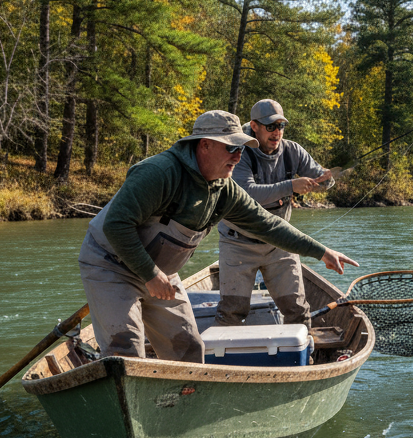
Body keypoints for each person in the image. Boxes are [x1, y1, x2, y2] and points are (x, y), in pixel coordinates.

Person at [78, 109, 357, 363]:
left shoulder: (225, 189)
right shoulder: (158, 173)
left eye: (242, 148)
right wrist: (150, 275)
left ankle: (182, 405)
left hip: (161, 272)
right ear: (205, 145)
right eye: (232, 148)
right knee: (125, 352)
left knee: (188, 349)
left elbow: (268, 225)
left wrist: (322, 252)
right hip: (111, 264)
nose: (238, 155)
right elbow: (116, 225)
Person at [214, 98, 336, 327]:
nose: (277, 132)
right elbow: (247, 194)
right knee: (232, 312)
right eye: (270, 126)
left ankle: (303, 358)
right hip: (238, 243)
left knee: (298, 310)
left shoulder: (293, 150)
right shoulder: (238, 152)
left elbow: (322, 178)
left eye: (281, 126)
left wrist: (326, 180)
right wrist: (291, 185)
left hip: (279, 243)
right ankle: (226, 362)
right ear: (254, 126)